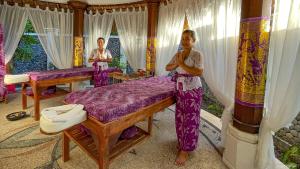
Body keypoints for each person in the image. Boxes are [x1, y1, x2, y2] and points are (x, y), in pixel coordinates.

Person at [165, 30, 204, 166]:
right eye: (182, 38)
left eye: (187, 38)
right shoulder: (178, 54)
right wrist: (177, 63)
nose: (184, 41)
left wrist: (181, 65)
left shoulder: (197, 54)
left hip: (193, 90)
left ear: (193, 40)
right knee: (180, 117)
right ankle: (182, 142)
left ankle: (186, 150)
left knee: (190, 120)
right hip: (180, 89)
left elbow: (199, 71)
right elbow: (167, 67)